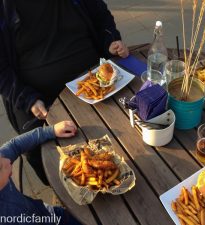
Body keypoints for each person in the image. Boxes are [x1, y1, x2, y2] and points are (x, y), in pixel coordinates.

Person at [0, 0, 128, 184]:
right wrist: (27, 99)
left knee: (126, 118)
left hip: (94, 79)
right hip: (35, 94)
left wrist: (110, 41)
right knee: (40, 152)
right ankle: (63, 192)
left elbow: (102, 18)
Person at [0, 121, 83, 225]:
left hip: (46, 213)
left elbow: (14, 145)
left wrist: (51, 131)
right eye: (1, 167)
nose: (7, 161)